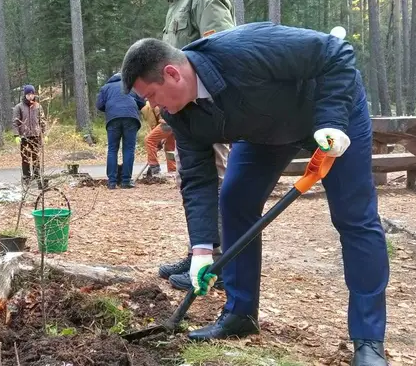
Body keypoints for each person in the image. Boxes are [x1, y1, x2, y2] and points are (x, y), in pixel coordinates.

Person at [120, 22, 389, 366]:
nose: (154, 108)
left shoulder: (242, 48)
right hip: (266, 133)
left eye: (151, 97)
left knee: (354, 217)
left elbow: (336, 54)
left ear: (172, 74)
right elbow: (199, 182)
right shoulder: (182, 116)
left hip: (330, 116)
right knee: (235, 201)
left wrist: (332, 120)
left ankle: (368, 340)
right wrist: (201, 249)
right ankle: (239, 314)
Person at [156, 0, 237, 292]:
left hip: (208, 111)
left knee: (214, 179)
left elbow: (223, 51)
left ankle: (217, 261)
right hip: (187, 113)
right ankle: (199, 252)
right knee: (191, 181)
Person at [96, 73, 144, 189]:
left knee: (112, 149)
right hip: (131, 118)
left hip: (113, 119)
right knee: (129, 149)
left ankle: (112, 182)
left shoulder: (106, 88)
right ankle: (126, 181)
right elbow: (142, 102)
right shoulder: (132, 86)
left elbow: (99, 105)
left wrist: (110, 108)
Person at [12, 85, 46, 184]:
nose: (30, 96)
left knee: (36, 157)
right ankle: (26, 177)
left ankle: (37, 175)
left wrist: (45, 134)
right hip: (24, 137)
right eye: (28, 94)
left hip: (36, 135)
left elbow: (42, 121)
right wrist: (16, 135)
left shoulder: (38, 106)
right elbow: (15, 122)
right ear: (25, 95)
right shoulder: (19, 107)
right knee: (25, 157)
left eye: (32, 94)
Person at [140, 101, 177, 177]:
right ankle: (172, 170)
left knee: (149, 140)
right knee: (170, 148)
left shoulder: (145, 108)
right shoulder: (155, 102)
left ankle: (154, 167)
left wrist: (158, 142)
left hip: (165, 123)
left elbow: (153, 124)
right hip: (174, 122)